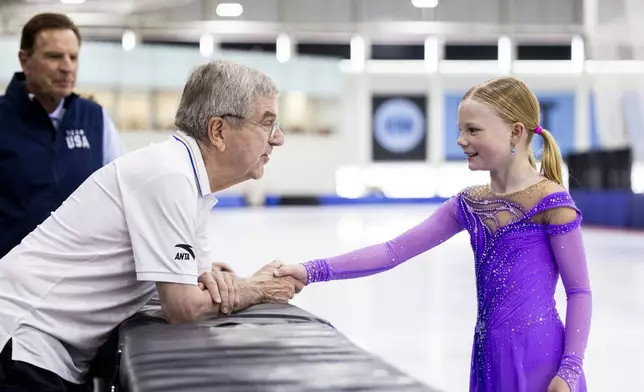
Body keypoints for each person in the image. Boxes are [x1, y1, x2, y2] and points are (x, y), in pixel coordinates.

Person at [275, 77, 592, 392]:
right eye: (460, 130)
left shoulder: (551, 202)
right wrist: (310, 270)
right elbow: (392, 251)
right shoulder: (470, 204)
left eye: (473, 130)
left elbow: (579, 292)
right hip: (489, 357)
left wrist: (570, 370)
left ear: (515, 132)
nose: (460, 140)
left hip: (542, 359)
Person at [0, 60, 300, 391]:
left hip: (43, 347)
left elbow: (199, 285)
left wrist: (227, 284)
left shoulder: (190, 181)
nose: (279, 139)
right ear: (218, 131)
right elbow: (184, 307)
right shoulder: (169, 175)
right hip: (22, 339)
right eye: (267, 123)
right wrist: (255, 288)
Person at [0, 12, 125, 260]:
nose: (67, 67)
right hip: (10, 279)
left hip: (82, 276)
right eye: (54, 56)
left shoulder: (95, 118)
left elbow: (127, 195)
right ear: (25, 61)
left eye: (73, 57)